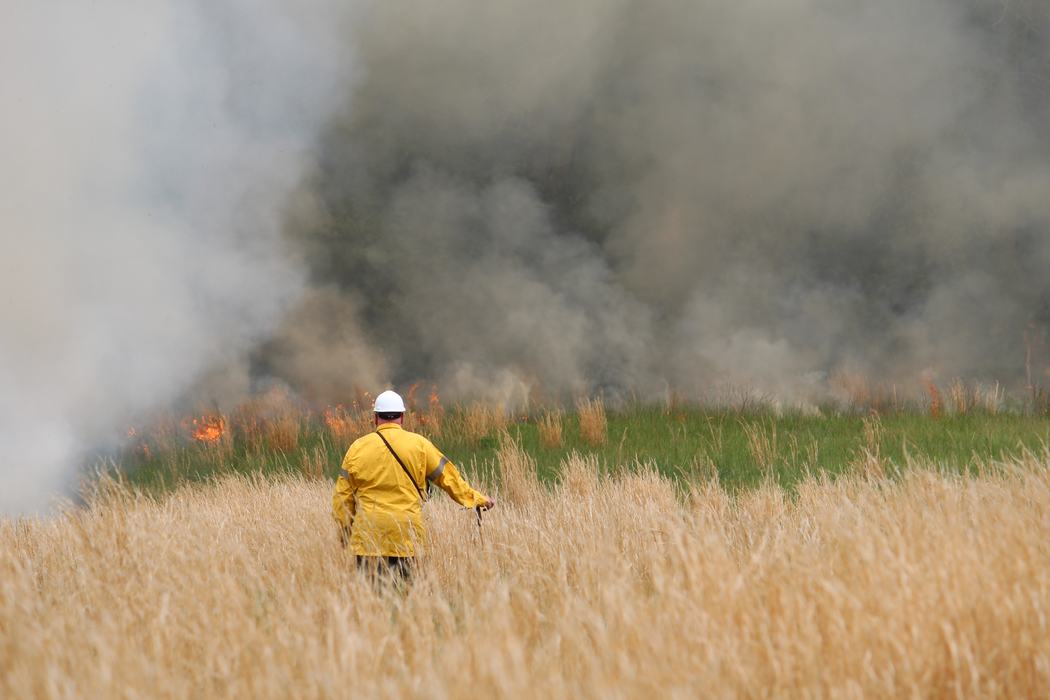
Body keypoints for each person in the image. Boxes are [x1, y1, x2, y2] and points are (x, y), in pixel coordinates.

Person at [332, 389, 494, 582]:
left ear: (375, 418)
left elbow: (342, 498)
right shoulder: (419, 445)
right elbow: (450, 479)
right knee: (406, 597)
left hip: (368, 537)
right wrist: (477, 499)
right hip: (406, 535)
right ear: (402, 417)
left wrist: (344, 533)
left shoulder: (357, 448)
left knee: (371, 602)